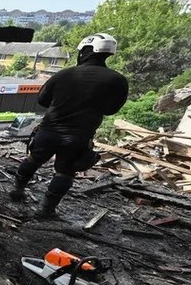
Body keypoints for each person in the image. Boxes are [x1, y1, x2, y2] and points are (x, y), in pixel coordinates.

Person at [9, 33, 128, 217]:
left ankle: (16, 190)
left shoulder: (64, 74)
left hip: (49, 130)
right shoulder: (117, 80)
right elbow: (111, 110)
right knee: (65, 173)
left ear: (85, 51)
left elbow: (42, 100)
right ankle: (46, 210)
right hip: (78, 136)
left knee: (33, 160)